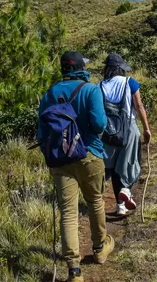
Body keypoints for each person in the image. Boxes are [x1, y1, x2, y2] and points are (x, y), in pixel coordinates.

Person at [38, 51, 116, 282]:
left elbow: (42, 133)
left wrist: (52, 157)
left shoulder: (49, 94)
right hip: (89, 154)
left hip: (60, 160)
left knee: (68, 213)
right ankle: (100, 248)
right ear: (81, 67)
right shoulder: (90, 90)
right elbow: (100, 123)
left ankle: (74, 270)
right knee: (95, 201)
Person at [100, 53, 151, 216]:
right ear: (120, 68)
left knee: (114, 168)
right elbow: (139, 106)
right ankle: (126, 190)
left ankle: (120, 206)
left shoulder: (100, 86)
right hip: (129, 129)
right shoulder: (130, 82)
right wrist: (146, 128)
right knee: (131, 162)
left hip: (109, 131)